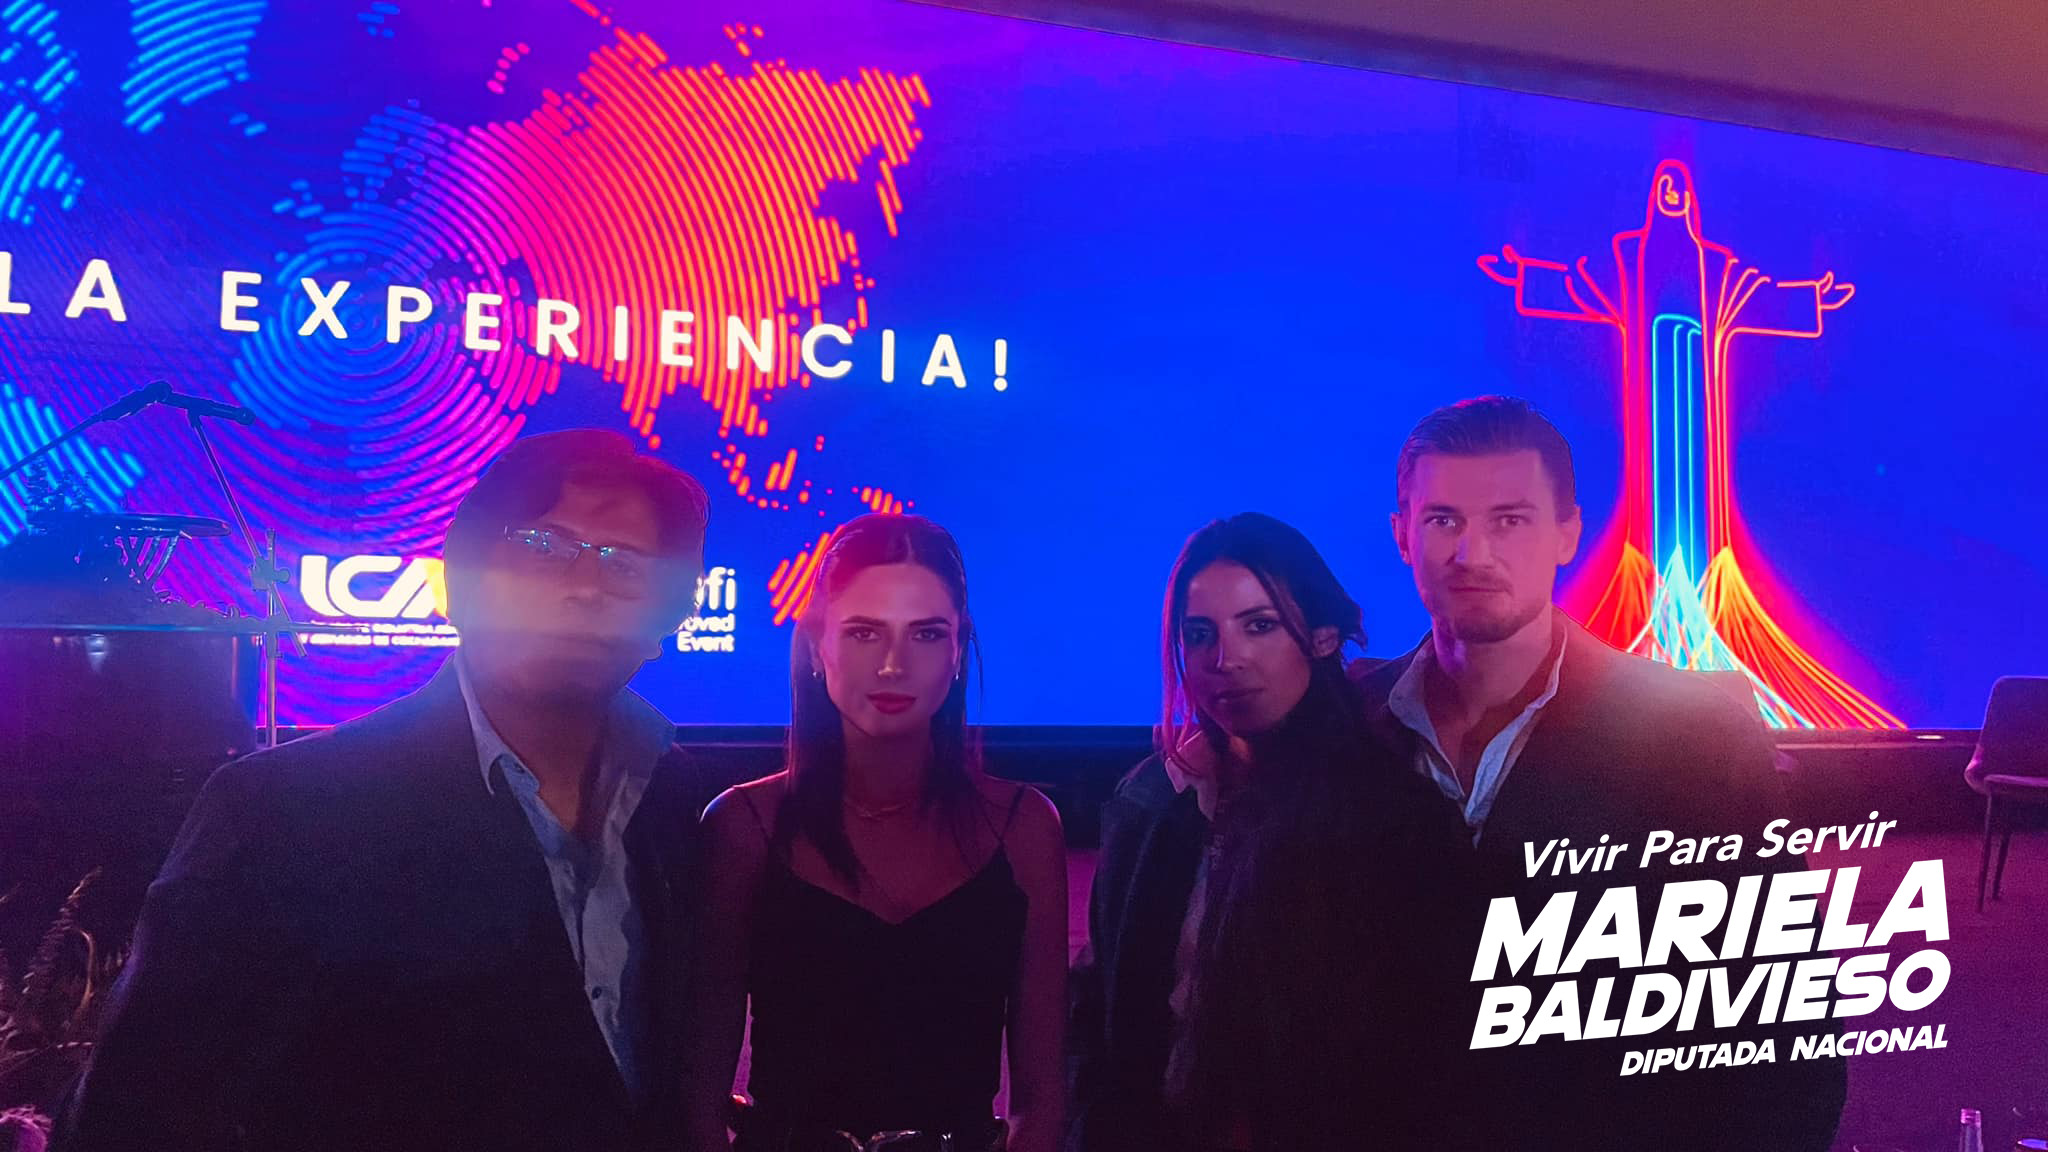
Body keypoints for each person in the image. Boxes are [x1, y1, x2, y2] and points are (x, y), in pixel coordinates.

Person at [58, 430, 713, 1152]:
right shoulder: (282, 811)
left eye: (625, 563)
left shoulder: (679, 799)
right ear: (460, 577)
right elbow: (138, 1110)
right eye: (543, 545)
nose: (585, 586)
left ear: (669, 616)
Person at [1356, 395, 1847, 1151]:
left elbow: (1783, 1030)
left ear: (1566, 534)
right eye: (1443, 519)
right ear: (1402, 536)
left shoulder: (1696, 735)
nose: (1472, 553)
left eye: (1509, 520)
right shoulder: (1342, 727)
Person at [1068, 513, 1474, 1152]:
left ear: (1322, 635)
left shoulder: (1395, 822)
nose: (1225, 659)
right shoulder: (1152, 802)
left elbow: (1422, 1064)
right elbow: (1102, 1021)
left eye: (1259, 625)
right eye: (1199, 634)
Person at [681, 514, 1067, 1152]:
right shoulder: (743, 826)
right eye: (864, 632)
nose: (893, 664)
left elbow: (1043, 1103)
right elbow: (700, 1101)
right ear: (816, 647)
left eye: (926, 634)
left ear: (957, 652)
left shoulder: (1023, 826)